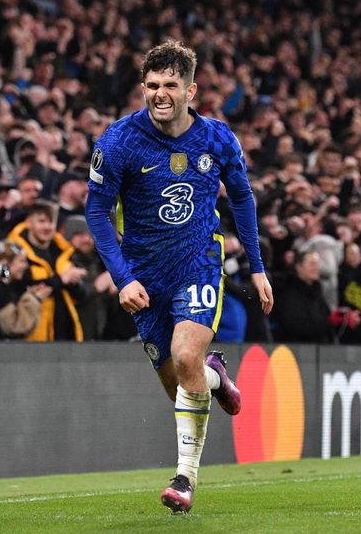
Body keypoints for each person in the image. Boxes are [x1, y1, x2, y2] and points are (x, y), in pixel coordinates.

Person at [84, 41, 273, 514]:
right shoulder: (118, 142)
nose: (159, 94)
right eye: (152, 85)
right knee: (182, 384)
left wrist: (257, 266)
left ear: (192, 90)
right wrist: (122, 277)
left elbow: (243, 199)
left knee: (185, 353)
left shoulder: (218, 138)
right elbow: (95, 211)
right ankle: (214, 377)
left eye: (170, 85)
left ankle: (184, 480)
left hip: (198, 262)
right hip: (144, 278)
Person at [7, 200, 88, 342]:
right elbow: (22, 286)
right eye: (42, 221)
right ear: (29, 221)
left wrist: (74, 283)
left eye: (51, 222)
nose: (47, 227)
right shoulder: (15, 251)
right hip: (31, 336)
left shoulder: (64, 252)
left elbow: (82, 296)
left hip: (66, 336)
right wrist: (61, 280)